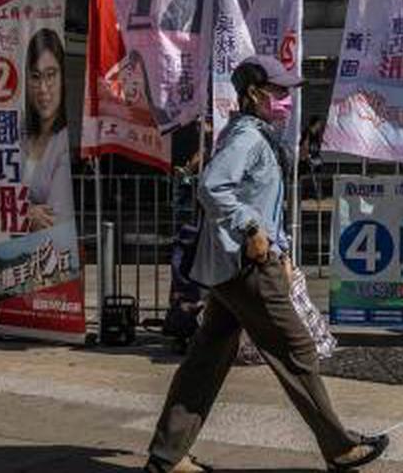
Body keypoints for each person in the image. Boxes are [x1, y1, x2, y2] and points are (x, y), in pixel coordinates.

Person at [144, 55, 388, 473]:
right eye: (278, 92)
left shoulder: (253, 133)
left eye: (288, 92)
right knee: (297, 351)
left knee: (207, 359)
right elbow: (212, 187)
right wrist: (253, 229)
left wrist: (282, 247)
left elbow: (263, 202)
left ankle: (167, 457)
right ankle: (340, 447)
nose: (288, 100)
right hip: (248, 267)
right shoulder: (248, 138)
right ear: (254, 94)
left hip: (235, 267)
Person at [23, 28, 73, 232]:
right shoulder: (17, 132)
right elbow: (0, 197)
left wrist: (21, 210)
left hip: (50, 252)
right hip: (14, 254)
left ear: (62, 78)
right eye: (35, 77)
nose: (43, 88)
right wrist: (27, 212)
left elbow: (53, 218)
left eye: (51, 75)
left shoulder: (63, 141)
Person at [299, 115, 326, 199]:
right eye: (319, 124)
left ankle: (316, 193)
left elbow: (317, 146)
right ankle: (306, 193)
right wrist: (306, 156)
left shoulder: (316, 134)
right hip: (306, 158)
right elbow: (304, 146)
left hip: (314, 157)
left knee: (318, 175)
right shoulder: (307, 133)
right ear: (315, 123)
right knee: (306, 176)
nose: (320, 126)